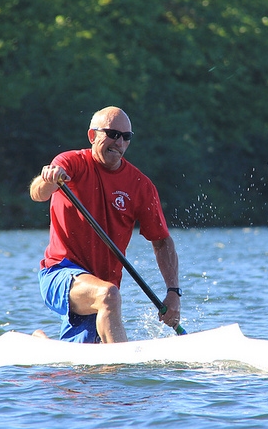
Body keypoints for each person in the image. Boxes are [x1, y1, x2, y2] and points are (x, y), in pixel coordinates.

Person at [29, 106, 181, 344]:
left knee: (82, 362)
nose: (119, 142)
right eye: (112, 134)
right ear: (92, 136)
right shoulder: (71, 163)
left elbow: (161, 241)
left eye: (126, 137)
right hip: (59, 273)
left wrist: (173, 293)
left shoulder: (141, 186)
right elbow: (37, 193)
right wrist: (49, 180)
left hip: (99, 284)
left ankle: (40, 343)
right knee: (109, 295)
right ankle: (121, 370)